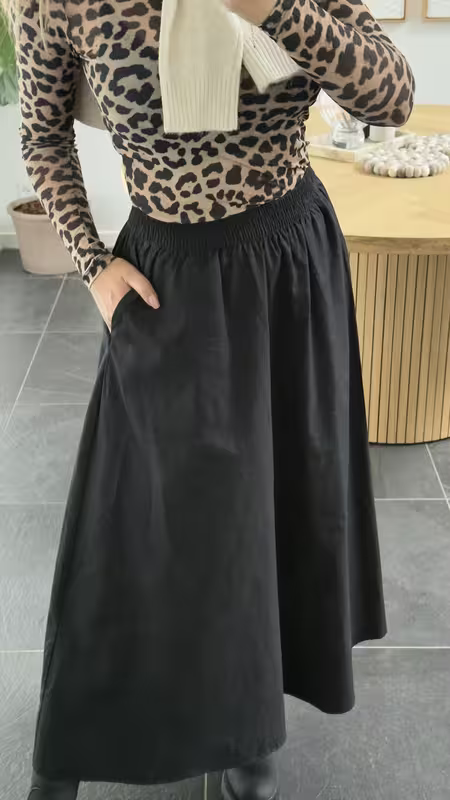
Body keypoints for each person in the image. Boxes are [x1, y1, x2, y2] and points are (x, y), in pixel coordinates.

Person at [6, 0, 414, 796]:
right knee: (133, 525)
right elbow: (43, 133)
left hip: (290, 265)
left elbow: (390, 96)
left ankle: (249, 734)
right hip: (171, 282)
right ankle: (73, 748)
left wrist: (271, 9)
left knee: (273, 507)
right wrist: (93, 263)